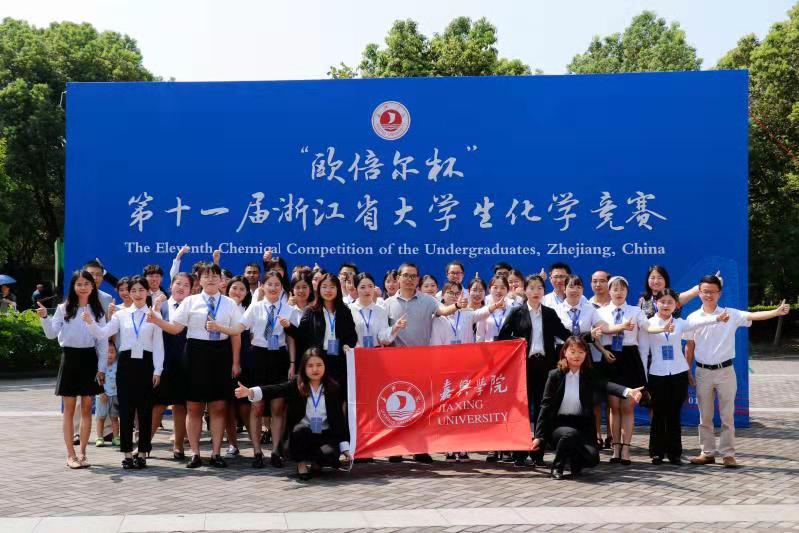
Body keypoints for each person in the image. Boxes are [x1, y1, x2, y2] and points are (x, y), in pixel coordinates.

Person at [686, 275, 790, 468]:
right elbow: (689, 346)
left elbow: (753, 316)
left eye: (713, 291)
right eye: (705, 291)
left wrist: (776, 312)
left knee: (727, 415)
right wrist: (688, 370)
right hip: (702, 371)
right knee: (705, 416)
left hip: (725, 371)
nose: (709, 295)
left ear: (719, 293)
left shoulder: (730, 314)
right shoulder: (692, 318)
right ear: (699, 293)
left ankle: (728, 454)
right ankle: (707, 453)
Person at [147, 262, 242, 468]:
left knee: (218, 406)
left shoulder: (229, 303)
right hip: (195, 355)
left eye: (214, 276)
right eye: (206, 276)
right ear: (199, 280)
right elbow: (175, 328)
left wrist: (235, 361)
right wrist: (156, 320)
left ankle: (216, 453)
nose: (210, 279)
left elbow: (236, 332)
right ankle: (195, 453)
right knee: (193, 407)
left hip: (220, 354)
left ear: (221, 280)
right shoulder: (190, 301)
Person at [530, 336, 643, 479]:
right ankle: (557, 467)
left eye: (581, 352)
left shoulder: (589, 375)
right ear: (564, 352)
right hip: (559, 425)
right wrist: (539, 436)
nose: (577, 356)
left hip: (583, 426)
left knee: (592, 459)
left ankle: (573, 460)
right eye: (572, 352)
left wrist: (628, 391)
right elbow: (545, 406)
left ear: (586, 354)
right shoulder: (555, 375)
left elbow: (606, 385)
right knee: (568, 434)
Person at [384, 262, 463, 463]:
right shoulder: (388, 304)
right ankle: (397, 448)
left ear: (418, 279)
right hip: (396, 362)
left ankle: (419, 448)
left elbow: (443, 311)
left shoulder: (428, 301)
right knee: (398, 405)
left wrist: (456, 306)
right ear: (398, 278)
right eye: (406, 275)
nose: (409, 279)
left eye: (413, 276)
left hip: (422, 361)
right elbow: (383, 332)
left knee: (421, 405)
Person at [217, 271, 297, 468]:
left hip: (279, 358)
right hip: (259, 358)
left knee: (278, 408)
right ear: (263, 286)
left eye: (277, 284)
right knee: (257, 406)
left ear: (282, 287)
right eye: (270, 284)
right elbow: (238, 329)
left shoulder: (289, 310)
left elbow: (291, 338)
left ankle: (276, 451)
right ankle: (257, 451)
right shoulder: (255, 307)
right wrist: (219, 328)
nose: (273, 288)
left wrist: (292, 364)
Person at [83, 275, 163, 469]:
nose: (137, 294)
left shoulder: (154, 315)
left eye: (141, 290)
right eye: (133, 290)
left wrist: (158, 370)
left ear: (147, 292)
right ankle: (127, 454)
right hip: (126, 364)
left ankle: (142, 453)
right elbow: (103, 333)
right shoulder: (121, 315)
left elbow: (158, 345)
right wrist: (90, 322)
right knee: (126, 410)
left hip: (146, 364)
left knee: (145, 411)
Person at [235, 348, 351, 480]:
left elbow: (339, 420)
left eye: (319, 365)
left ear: (325, 366)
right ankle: (301, 464)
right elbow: (276, 390)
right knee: (300, 431)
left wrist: (345, 448)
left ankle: (317, 463)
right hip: (302, 435)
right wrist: (250, 392)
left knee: (329, 454)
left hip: (324, 434)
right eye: (310, 366)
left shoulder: (333, 388)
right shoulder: (297, 384)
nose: (315, 369)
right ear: (304, 368)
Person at [644, 288, 728, 465]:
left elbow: (698, 323)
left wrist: (717, 318)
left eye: (670, 302)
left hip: (678, 373)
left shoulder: (680, 323)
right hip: (657, 374)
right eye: (662, 302)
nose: (666, 305)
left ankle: (674, 453)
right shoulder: (647, 323)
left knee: (674, 413)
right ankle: (657, 452)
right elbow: (644, 348)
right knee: (658, 413)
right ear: (656, 303)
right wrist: (644, 376)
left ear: (676, 305)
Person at [498, 274, 572, 467]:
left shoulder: (549, 313)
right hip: (523, 366)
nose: (536, 292)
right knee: (521, 410)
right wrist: (517, 341)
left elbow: (564, 334)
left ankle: (538, 453)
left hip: (545, 366)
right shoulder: (517, 312)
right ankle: (519, 454)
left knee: (542, 409)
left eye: (539, 288)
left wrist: (586, 338)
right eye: (531, 288)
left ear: (543, 291)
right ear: (525, 291)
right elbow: (502, 337)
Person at [37, 270, 108, 469]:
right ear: (73, 287)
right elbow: (51, 334)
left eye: (86, 283)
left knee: (87, 407)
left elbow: (102, 341)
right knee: (68, 409)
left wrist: (101, 368)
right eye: (79, 284)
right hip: (69, 358)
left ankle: (83, 453)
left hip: (89, 359)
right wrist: (44, 317)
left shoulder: (98, 310)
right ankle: (70, 455)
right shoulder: (64, 308)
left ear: (92, 286)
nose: (83, 287)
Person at [596, 276, 650, 465]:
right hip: (611, 358)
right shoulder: (600, 312)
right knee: (614, 407)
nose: (618, 293)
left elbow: (647, 326)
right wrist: (603, 351)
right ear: (609, 291)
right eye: (615, 289)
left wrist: (661, 327)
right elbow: (597, 335)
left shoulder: (636, 311)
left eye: (622, 289)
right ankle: (616, 448)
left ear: (627, 291)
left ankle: (626, 449)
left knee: (627, 407)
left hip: (630, 359)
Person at [294, 274, 357, 401]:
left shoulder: (344, 311)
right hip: (317, 359)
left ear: (338, 289)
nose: (328, 290)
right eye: (324, 287)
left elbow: (352, 336)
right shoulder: (310, 311)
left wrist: (347, 345)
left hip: (338, 359)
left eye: (332, 287)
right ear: (319, 289)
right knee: (318, 397)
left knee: (337, 397)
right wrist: (288, 327)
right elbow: (300, 336)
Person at [151, 272, 192, 460]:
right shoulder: (161, 306)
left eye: (186, 285)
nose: (181, 287)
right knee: (157, 405)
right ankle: (145, 444)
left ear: (191, 290)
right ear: (170, 286)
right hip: (163, 363)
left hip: (185, 363)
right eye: (178, 283)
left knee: (180, 406)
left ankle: (178, 446)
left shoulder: (193, 308)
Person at [349, 273, 403, 347]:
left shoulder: (380, 311)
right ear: (356, 289)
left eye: (370, 286)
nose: (367, 290)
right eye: (362, 287)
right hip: (356, 351)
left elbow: (383, 337)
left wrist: (395, 327)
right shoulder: (349, 310)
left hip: (376, 351)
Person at [638, 265, 702, 319]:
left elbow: (695, 290)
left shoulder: (675, 298)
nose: (656, 281)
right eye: (652, 278)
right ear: (648, 280)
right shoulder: (643, 300)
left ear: (665, 280)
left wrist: (706, 284)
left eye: (660, 278)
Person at [95, 341, 120, 448]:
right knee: (101, 418)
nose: (109, 355)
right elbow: (96, 381)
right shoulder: (100, 366)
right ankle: (100, 437)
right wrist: (101, 393)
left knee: (114, 417)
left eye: (112, 352)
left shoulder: (118, 365)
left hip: (115, 395)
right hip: (102, 396)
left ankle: (116, 437)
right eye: (107, 352)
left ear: (116, 353)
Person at [476, 275, 514, 342]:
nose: (498, 291)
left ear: (507, 290)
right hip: (489, 348)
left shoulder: (513, 310)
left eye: (502, 288)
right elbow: (480, 338)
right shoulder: (483, 311)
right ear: (489, 290)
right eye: (495, 287)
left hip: (508, 347)